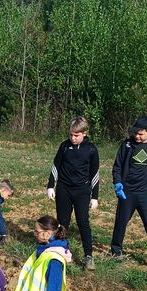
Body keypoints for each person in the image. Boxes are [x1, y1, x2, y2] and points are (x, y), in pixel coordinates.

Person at [109, 115, 147, 268]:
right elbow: (117, 166)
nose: (137, 136)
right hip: (127, 192)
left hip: (146, 193)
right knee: (121, 222)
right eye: (135, 133)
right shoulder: (127, 145)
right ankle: (115, 251)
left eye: (140, 134)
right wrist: (118, 183)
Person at [47, 116, 100, 271]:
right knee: (63, 222)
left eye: (76, 135)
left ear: (84, 133)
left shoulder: (91, 150)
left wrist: (94, 197)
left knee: (83, 222)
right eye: (70, 135)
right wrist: (51, 186)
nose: (73, 138)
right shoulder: (64, 146)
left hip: (82, 191)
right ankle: (62, 251)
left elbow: (95, 174)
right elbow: (56, 166)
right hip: (63, 188)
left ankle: (88, 256)